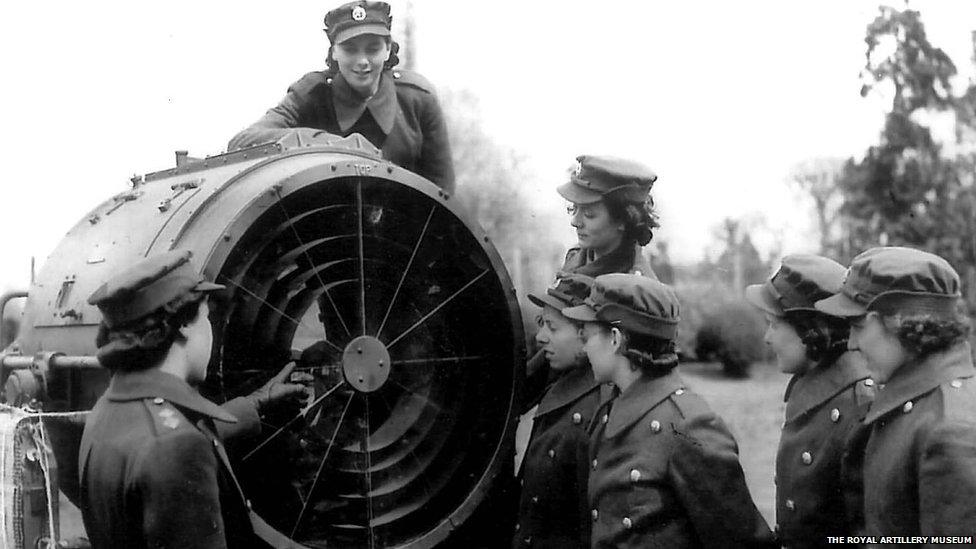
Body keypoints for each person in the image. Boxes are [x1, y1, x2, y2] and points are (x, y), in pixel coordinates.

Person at [78, 250, 310, 549]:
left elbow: (177, 431)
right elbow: (177, 446)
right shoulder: (176, 447)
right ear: (185, 326)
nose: (210, 331)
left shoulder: (109, 410)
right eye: (208, 318)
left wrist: (257, 401)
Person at [563, 273, 775, 548]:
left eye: (587, 335)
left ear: (615, 339)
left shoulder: (688, 426)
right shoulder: (611, 407)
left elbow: (744, 541)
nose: (584, 346)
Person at [815, 246, 976, 540]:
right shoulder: (914, 406)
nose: (851, 344)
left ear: (898, 322)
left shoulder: (949, 431)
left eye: (858, 326)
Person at [227, 1, 455, 193]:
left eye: (373, 48)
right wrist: (335, 146)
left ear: (387, 50)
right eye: (350, 49)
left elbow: (443, 194)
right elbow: (243, 142)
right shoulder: (311, 95)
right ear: (334, 51)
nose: (362, 61)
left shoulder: (417, 99)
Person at [745, 254, 874, 547]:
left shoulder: (860, 406)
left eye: (774, 325)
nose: (767, 337)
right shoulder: (813, 387)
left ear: (810, 329)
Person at [514, 274, 600, 548]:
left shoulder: (597, 408)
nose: (540, 337)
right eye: (542, 324)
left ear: (585, 333)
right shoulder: (563, 384)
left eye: (552, 327)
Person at [556, 155, 658, 278]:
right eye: (575, 208)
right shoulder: (576, 258)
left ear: (623, 219)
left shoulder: (634, 287)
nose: (575, 221)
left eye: (589, 214)